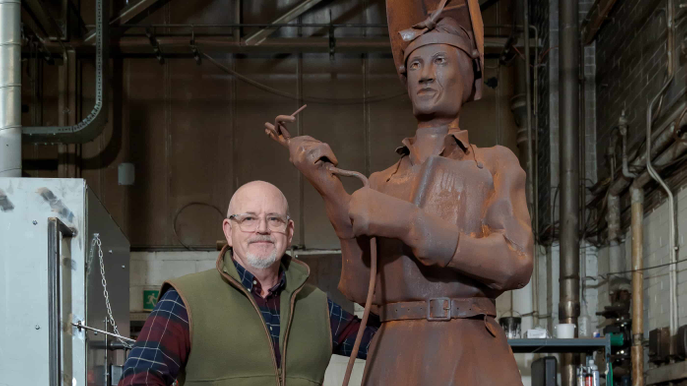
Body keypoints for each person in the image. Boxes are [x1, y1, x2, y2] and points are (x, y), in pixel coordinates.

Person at [264, 0, 533, 384]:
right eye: (415, 65)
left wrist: (413, 224)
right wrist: (330, 189)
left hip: (472, 355)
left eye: (440, 60)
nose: (424, 75)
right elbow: (362, 289)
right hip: (394, 356)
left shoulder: (493, 164)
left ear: (469, 74)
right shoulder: (380, 183)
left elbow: (516, 260)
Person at [118, 181, 377, 386]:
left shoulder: (318, 306)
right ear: (229, 231)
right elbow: (139, 379)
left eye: (274, 219)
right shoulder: (184, 300)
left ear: (289, 232)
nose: (262, 228)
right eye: (249, 219)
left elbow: (384, 345)